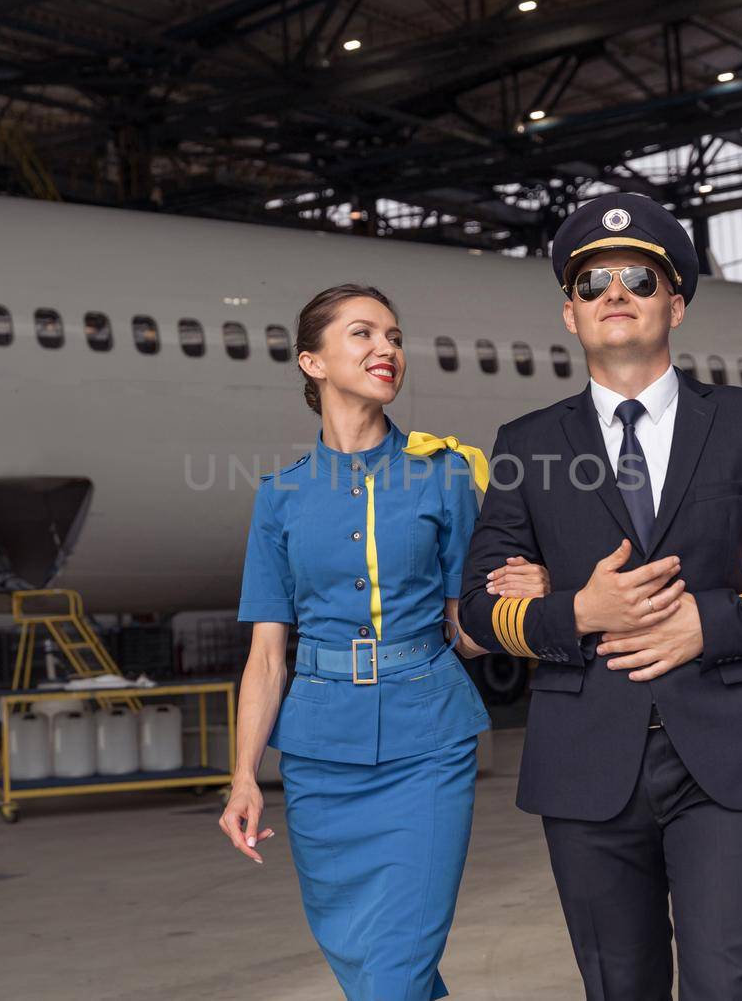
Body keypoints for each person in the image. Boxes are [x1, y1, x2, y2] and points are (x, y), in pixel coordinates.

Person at [457, 192, 742, 1000]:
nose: (615, 293)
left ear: (675, 303)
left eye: (638, 278)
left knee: (732, 983)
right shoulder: (526, 445)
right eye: (591, 282)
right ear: (570, 314)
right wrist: (576, 611)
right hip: (586, 756)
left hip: (727, 751)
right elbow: (475, 607)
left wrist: (705, 623)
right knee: (618, 985)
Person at [219, 283, 547, 1001]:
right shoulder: (281, 496)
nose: (387, 350)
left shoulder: (447, 473)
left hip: (427, 741)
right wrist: (245, 774)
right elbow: (268, 656)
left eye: (394, 337)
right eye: (364, 334)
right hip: (317, 756)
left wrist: (533, 595)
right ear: (312, 360)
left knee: (395, 966)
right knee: (366, 963)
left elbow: (470, 633)